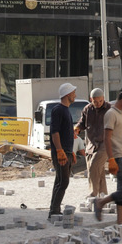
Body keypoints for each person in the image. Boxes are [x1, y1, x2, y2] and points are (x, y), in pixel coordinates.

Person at [94, 87, 122, 224]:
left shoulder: (120, 114)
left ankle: (120, 222)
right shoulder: (111, 114)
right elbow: (107, 138)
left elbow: (119, 134)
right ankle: (101, 202)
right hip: (119, 156)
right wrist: (111, 159)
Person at [74, 87, 111, 197]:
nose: (98, 103)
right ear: (91, 99)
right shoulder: (87, 109)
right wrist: (77, 128)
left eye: (100, 101)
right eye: (95, 101)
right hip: (91, 144)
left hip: (105, 144)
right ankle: (103, 194)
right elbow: (82, 122)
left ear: (103, 98)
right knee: (98, 170)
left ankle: (93, 193)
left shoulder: (110, 109)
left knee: (94, 166)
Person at [48, 82, 77, 220]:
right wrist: (60, 151)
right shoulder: (58, 110)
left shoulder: (66, 110)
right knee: (63, 181)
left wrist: (71, 152)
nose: (75, 95)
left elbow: (67, 133)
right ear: (67, 94)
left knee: (60, 181)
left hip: (66, 152)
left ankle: (54, 210)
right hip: (61, 153)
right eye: (73, 93)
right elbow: (55, 132)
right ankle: (53, 211)